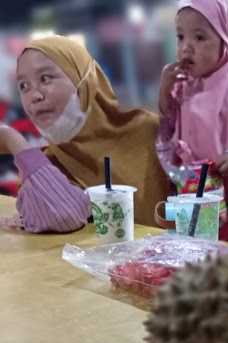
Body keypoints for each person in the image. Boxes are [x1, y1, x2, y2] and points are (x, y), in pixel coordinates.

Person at [0, 35, 169, 232]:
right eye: (23, 86)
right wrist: (13, 139)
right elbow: (61, 220)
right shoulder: (51, 165)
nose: (34, 96)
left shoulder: (150, 132)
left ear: (85, 80)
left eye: (45, 79)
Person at [156, 0, 228, 246]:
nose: (186, 48)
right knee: (191, 254)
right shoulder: (182, 85)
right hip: (191, 192)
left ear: (227, 40)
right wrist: (164, 96)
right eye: (180, 37)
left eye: (200, 38)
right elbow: (167, 133)